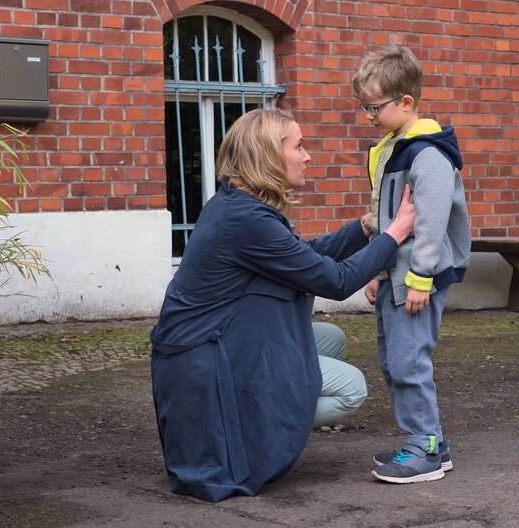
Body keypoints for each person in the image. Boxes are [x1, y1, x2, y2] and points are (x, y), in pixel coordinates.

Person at [150, 107, 416, 502]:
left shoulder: (234, 205)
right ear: (269, 155)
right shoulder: (247, 219)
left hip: (208, 347)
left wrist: (365, 228)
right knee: (352, 389)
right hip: (208, 365)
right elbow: (335, 280)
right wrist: (395, 233)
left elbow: (301, 256)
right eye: (299, 146)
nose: (308, 156)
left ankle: (263, 415)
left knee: (330, 338)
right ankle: (258, 427)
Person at [351, 45, 471, 484]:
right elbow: (392, 221)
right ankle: (428, 441)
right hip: (397, 277)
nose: (368, 115)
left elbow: (432, 222)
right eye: (363, 106)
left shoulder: (427, 154)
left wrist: (419, 279)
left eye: (375, 106)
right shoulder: (393, 148)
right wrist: (379, 272)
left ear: (406, 102)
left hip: (419, 280)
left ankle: (425, 450)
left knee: (409, 362)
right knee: (393, 360)